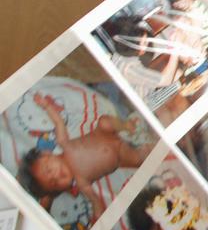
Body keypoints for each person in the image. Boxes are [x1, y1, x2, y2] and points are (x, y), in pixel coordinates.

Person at [18, 92, 155, 220]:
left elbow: (58, 122)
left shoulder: (64, 143)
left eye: (49, 170)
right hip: (120, 155)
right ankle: (150, 148)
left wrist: (46, 105)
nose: (56, 176)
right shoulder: (82, 182)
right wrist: (97, 212)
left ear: (47, 153)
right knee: (140, 160)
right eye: (54, 183)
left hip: (106, 132)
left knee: (104, 121)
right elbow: (94, 200)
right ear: (59, 190)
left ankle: (126, 126)